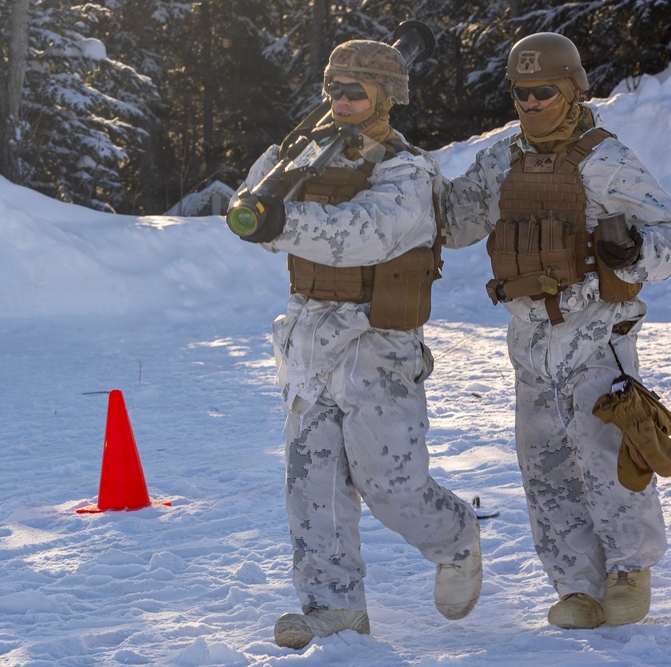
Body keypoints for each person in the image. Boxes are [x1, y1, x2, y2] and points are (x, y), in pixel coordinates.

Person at [229, 39, 482, 649]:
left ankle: (456, 538)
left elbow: (363, 235)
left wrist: (283, 221)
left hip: (378, 346)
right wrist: (270, 216)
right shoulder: (297, 155)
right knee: (311, 483)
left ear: (385, 97)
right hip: (309, 339)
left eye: (355, 91)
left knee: (392, 486)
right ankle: (333, 607)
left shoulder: (407, 170)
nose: (340, 102)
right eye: (333, 89)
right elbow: (253, 215)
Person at [442, 33, 671, 629]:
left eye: (542, 91)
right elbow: (453, 222)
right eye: (519, 93)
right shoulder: (500, 160)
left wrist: (633, 251)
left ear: (572, 88)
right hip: (529, 342)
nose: (529, 103)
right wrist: (399, 172)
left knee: (611, 455)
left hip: (595, 335)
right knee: (546, 468)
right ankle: (576, 586)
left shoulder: (605, 158)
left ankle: (629, 571)